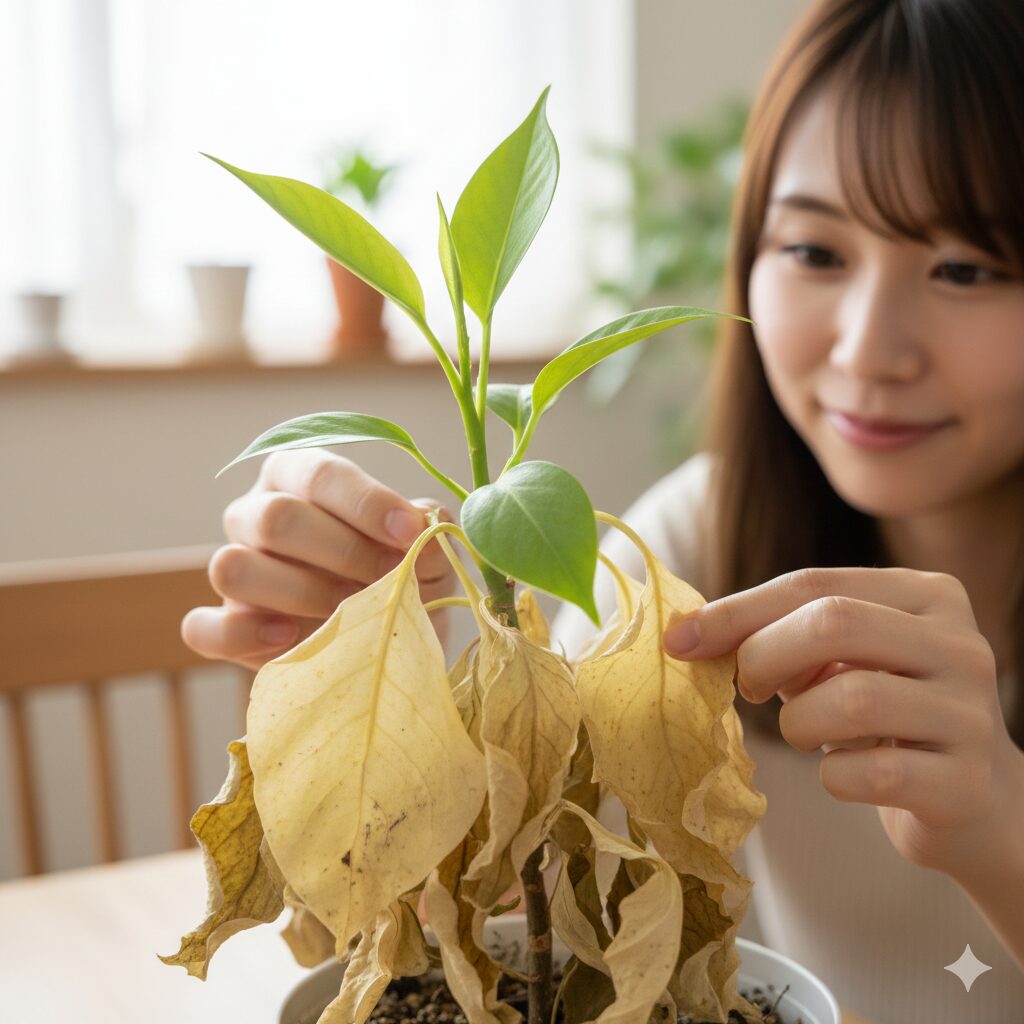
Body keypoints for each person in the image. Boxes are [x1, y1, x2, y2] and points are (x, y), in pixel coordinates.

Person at [181, 0, 1024, 1019]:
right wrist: (370, 682)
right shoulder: (688, 548)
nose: (867, 349)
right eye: (814, 251)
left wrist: (1003, 826)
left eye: (966, 268)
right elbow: (514, 920)